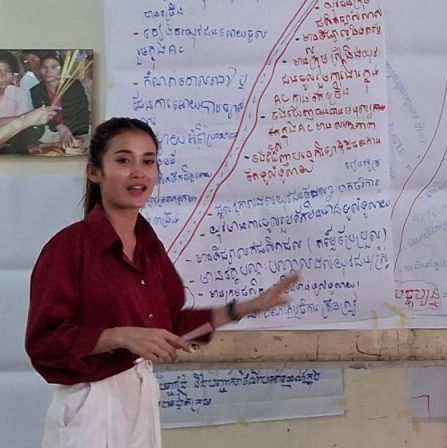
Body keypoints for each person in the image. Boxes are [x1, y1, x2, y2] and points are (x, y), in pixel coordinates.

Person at [25, 117, 300, 448]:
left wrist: (242, 309)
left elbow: (170, 325)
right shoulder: (68, 248)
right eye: (123, 160)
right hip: (91, 403)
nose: (139, 173)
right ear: (94, 172)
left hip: (140, 395)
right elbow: (44, 344)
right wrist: (119, 336)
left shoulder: (148, 246)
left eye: (148, 161)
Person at [29, 51, 91, 149]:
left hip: (74, 129)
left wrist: (71, 133)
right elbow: (40, 115)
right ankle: (57, 143)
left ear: (62, 69)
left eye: (54, 67)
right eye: (44, 67)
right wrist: (60, 127)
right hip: (53, 130)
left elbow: (81, 112)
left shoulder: (74, 85)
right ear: (40, 69)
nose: (48, 71)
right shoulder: (36, 91)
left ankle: (59, 143)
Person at [0, 51, 52, 152]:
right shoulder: (27, 80)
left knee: (37, 129)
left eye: (8, 71)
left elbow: (22, 128)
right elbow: (22, 120)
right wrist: (26, 118)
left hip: (13, 137)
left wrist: (28, 119)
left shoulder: (18, 93)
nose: (3, 77)